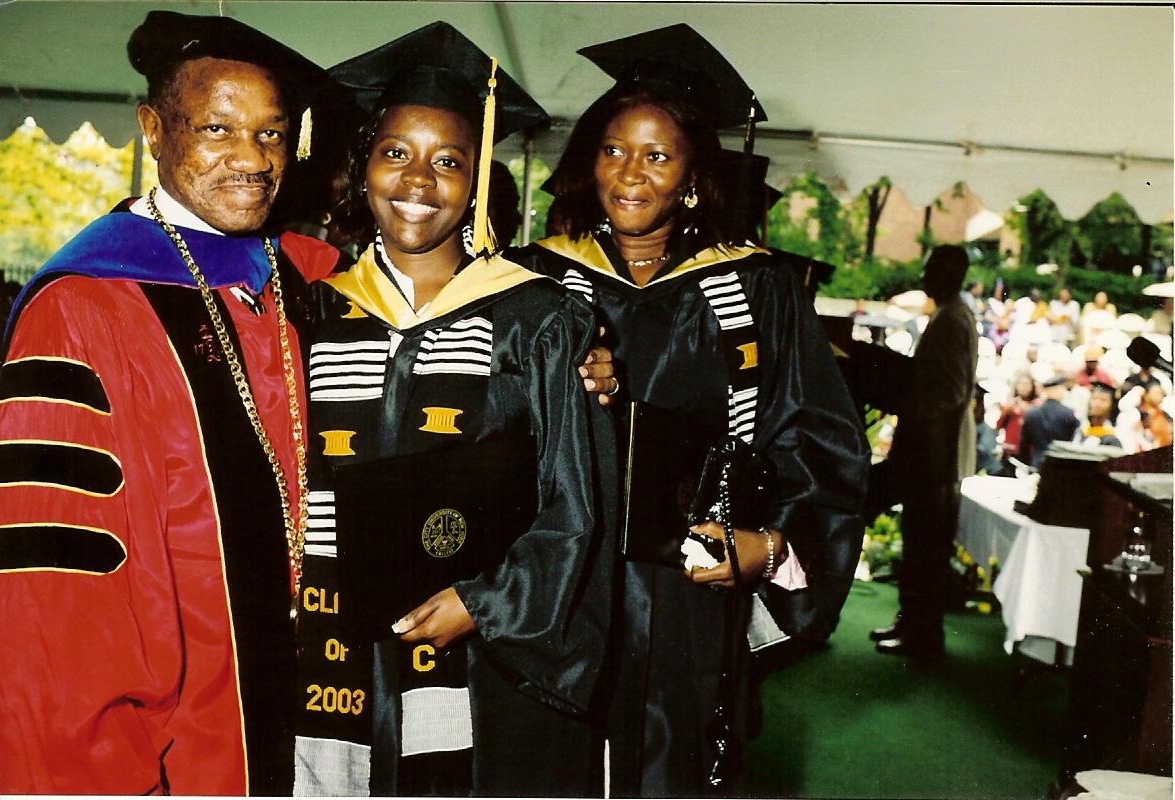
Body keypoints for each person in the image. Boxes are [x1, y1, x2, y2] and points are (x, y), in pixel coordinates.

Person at [510, 24, 869, 795]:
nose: (629, 174)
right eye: (613, 150)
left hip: (689, 593)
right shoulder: (533, 281)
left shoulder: (757, 290)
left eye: (657, 155)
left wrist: (771, 548)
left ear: (694, 176)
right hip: (557, 587)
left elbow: (823, 445)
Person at [0, 12, 337, 794]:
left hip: (311, 716)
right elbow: (54, 587)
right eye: (217, 128)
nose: (251, 160)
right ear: (152, 128)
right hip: (170, 738)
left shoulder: (301, 281)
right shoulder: (81, 309)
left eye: (272, 135)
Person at [289, 23, 614, 796]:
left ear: (474, 181)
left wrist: (483, 602)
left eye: (448, 162)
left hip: (473, 653)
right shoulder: (305, 309)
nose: (417, 181)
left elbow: (575, 504)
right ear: (362, 163)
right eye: (396, 153)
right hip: (321, 639)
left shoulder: (537, 319)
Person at [869, 244, 978, 662]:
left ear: (952, 274)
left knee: (927, 552)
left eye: (932, 269)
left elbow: (948, 392)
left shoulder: (952, 319)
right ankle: (910, 623)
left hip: (937, 458)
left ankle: (922, 636)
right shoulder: (949, 314)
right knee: (917, 547)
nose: (924, 276)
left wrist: (904, 404)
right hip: (928, 456)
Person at [1018, 375, 1081, 468]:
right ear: (1059, 389)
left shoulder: (1031, 413)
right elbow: (1074, 440)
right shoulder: (1068, 414)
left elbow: (1024, 444)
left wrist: (1027, 462)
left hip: (1037, 462)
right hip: (1060, 464)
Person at [995, 372, 1041, 474]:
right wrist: (1007, 410)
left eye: (1026, 384)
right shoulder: (1010, 404)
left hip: (1028, 451)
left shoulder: (1037, 406)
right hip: (1011, 450)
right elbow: (998, 425)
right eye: (1020, 384)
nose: (1023, 387)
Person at [1077, 381, 1122, 448]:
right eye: (1094, 398)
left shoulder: (1112, 437)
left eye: (1103, 400)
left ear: (1112, 406)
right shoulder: (1081, 430)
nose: (1097, 404)